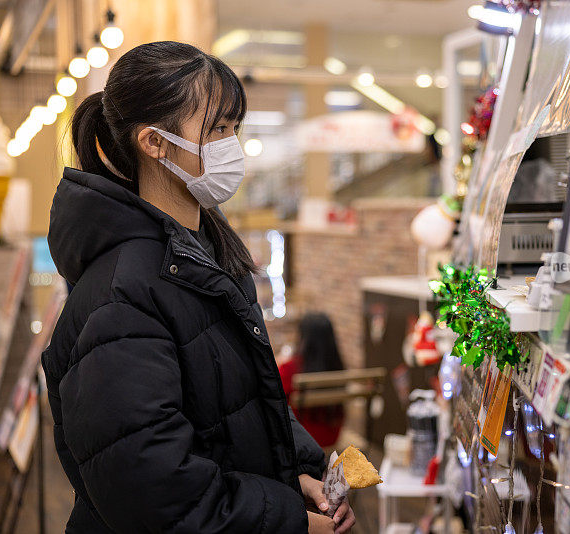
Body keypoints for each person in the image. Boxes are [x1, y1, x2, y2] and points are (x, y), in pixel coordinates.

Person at [41, 41, 354, 534]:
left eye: (234, 127)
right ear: (155, 142)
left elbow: (243, 401)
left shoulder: (207, 255)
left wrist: (297, 473)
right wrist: (290, 520)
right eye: (218, 129)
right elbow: (153, 491)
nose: (233, 145)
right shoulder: (121, 295)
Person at [278, 313, 345, 448]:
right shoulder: (337, 367)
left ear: (303, 337)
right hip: (331, 438)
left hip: (301, 439)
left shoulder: (290, 368)